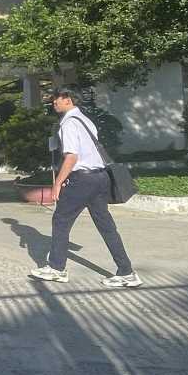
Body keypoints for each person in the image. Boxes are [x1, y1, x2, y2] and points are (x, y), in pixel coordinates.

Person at [29, 87, 142, 288]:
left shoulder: (69, 124)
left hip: (82, 180)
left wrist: (57, 183)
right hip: (100, 178)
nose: (54, 101)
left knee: (61, 219)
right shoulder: (86, 120)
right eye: (54, 98)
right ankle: (126, 272)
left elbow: (72, 157)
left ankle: (56, 268)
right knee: (106, 225)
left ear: (69, 100)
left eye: (58, 98)